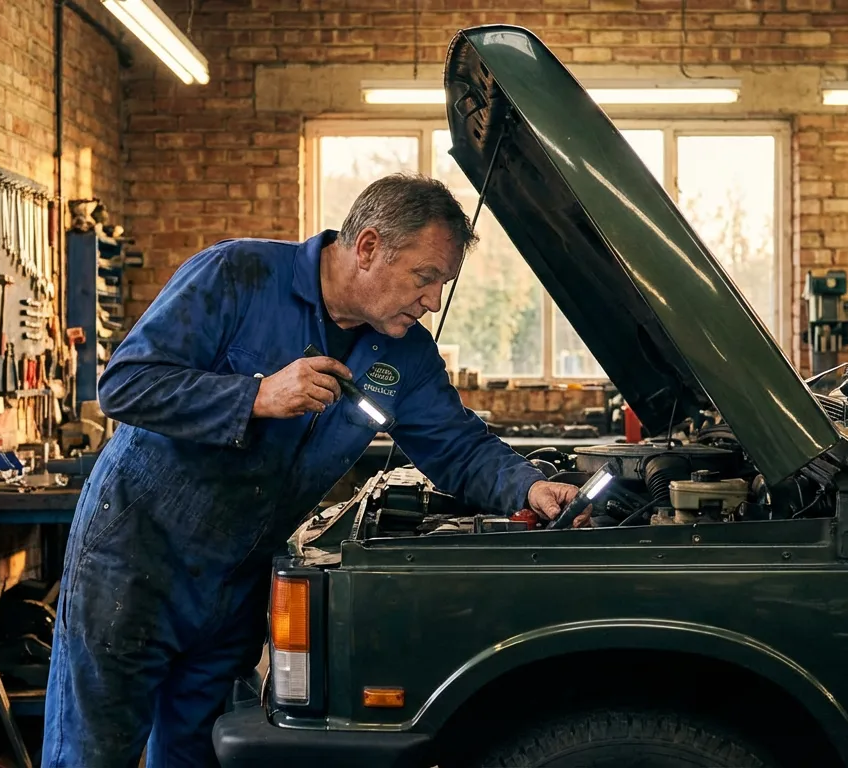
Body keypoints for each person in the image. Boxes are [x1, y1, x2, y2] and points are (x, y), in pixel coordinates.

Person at [41, 174, 582, 766]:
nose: (432, 300)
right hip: (135, 562)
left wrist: (531, 484)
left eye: (441, 285)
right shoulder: (238, 276)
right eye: (424, 278)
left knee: (197, 755)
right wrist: (253, 395)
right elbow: (124, 384)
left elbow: (458, 448)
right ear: (369, 247)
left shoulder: (404, 353)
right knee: (93, 751)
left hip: (236, 583)